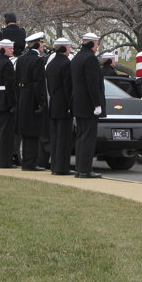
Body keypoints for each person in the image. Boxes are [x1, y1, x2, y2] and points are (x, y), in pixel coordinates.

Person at [70, 32, 105, 178]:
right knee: (88, 138)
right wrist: (97, 104)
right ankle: (86, 169)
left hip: (78, 103)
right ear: (91, 44)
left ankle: (79, 168)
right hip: (89, 104)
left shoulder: (77, 57)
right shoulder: (90, 58)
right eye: (97, 44)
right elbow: (92, 84)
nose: (97, 47)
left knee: (81, 137)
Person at [15, 31, 48, 171]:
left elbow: (17, 79)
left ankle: (26, 162)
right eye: (42, 43)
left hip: (23, 96)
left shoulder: (21, 59)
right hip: (33, 98)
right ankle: (31, 162)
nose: (43, 46)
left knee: (25, 131)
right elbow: (38, 83)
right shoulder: (38, 60)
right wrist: (41, 102)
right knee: (34, 132)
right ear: (37, 44)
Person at [45, 37, 73, 175]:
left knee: (55, 137)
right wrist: (70, 104)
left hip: (54, 103)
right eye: (68, 47)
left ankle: (55, 165)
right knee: (64, 138)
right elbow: (68, 87)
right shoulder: (66, 63)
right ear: (64, 48)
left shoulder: (51, 64)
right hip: (63, 105)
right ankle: (62, 167)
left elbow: (50, 87)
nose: (70, 50)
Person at [0, 39, 17, 168]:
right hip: (5, 100)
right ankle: (5, 161)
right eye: (10, 48)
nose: (12, 50)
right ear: (4, 49)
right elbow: (10, 85)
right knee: (6, 133)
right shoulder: (7, 64)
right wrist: (13, 103)